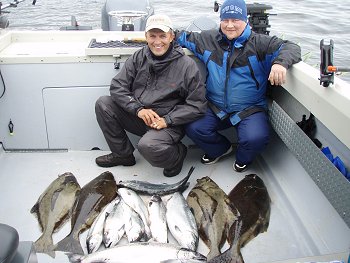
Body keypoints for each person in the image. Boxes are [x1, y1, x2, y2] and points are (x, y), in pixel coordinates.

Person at [176, 0, 301, 172]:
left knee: (256, 138)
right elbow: (181, 36)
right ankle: (220, 149)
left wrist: (280, 63)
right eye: (225, 20)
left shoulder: (260, 43)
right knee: (193, 127)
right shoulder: (208, 39)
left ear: (246, 21)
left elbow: (291, 47)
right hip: (215, 107)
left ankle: (243, 159)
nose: (229, 25)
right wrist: (158, 37)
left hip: (250, 109)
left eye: (235, 20)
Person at [95, 14, 207, 177]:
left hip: (169, 123)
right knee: (103, 104)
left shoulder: (186, 65)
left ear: (171, 36)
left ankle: (177, 155)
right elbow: (118, 86)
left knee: (147, 146)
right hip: (140, 116)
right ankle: (123, 155)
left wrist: (167, 120)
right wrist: (138, 109)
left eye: (162, 36)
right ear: (146, 36)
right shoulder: (138, 57)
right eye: (152, 36)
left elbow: (197, 105)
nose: (157, 41)